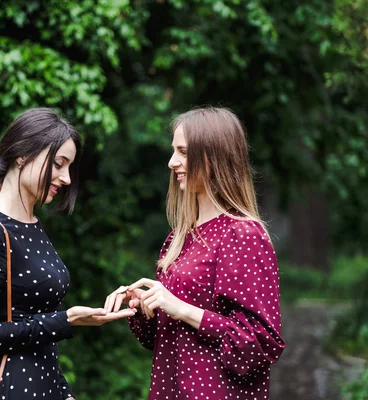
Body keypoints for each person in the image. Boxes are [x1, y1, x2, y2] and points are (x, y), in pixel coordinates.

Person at [105, 107, 285, 399]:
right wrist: (145, 307)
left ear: (215, 157)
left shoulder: (242, 235)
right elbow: (162, 339)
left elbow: (260, 344)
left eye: (184, 152)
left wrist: (182, 309)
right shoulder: (179, 238)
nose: (172, 161)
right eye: (174, 151)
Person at [0, 108, 136, 400]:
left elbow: (39, 336)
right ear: (22, 155)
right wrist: (66, 320)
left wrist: (63, 391)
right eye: (58, 164)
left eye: (69, 167)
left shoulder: (33, 226)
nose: (66, 178)